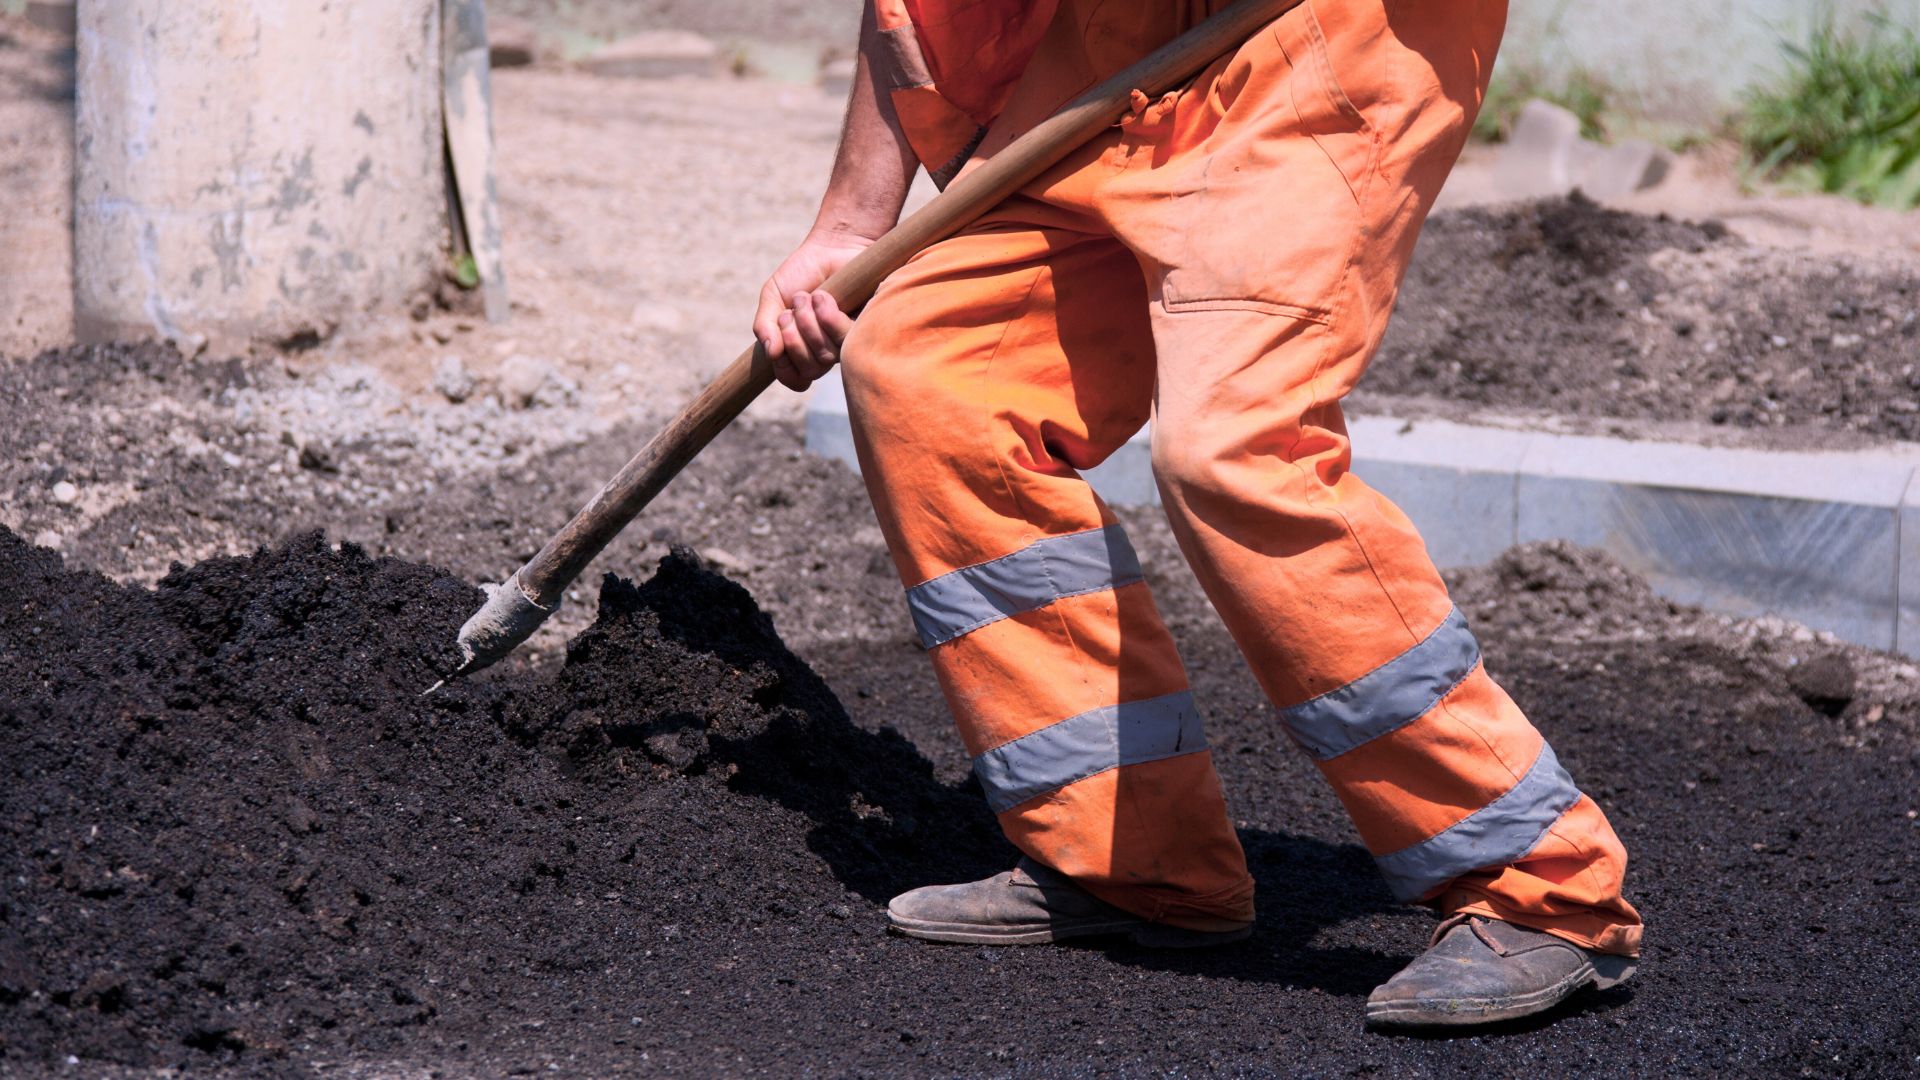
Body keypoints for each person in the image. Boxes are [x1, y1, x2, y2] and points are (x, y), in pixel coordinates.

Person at [753, 0, 1641, 1027]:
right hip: (1109, 43)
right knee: (931, 373)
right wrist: (853, 226)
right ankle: (1129, 857)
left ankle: (1539, 888)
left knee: (1235, 448)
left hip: (1318, 38)